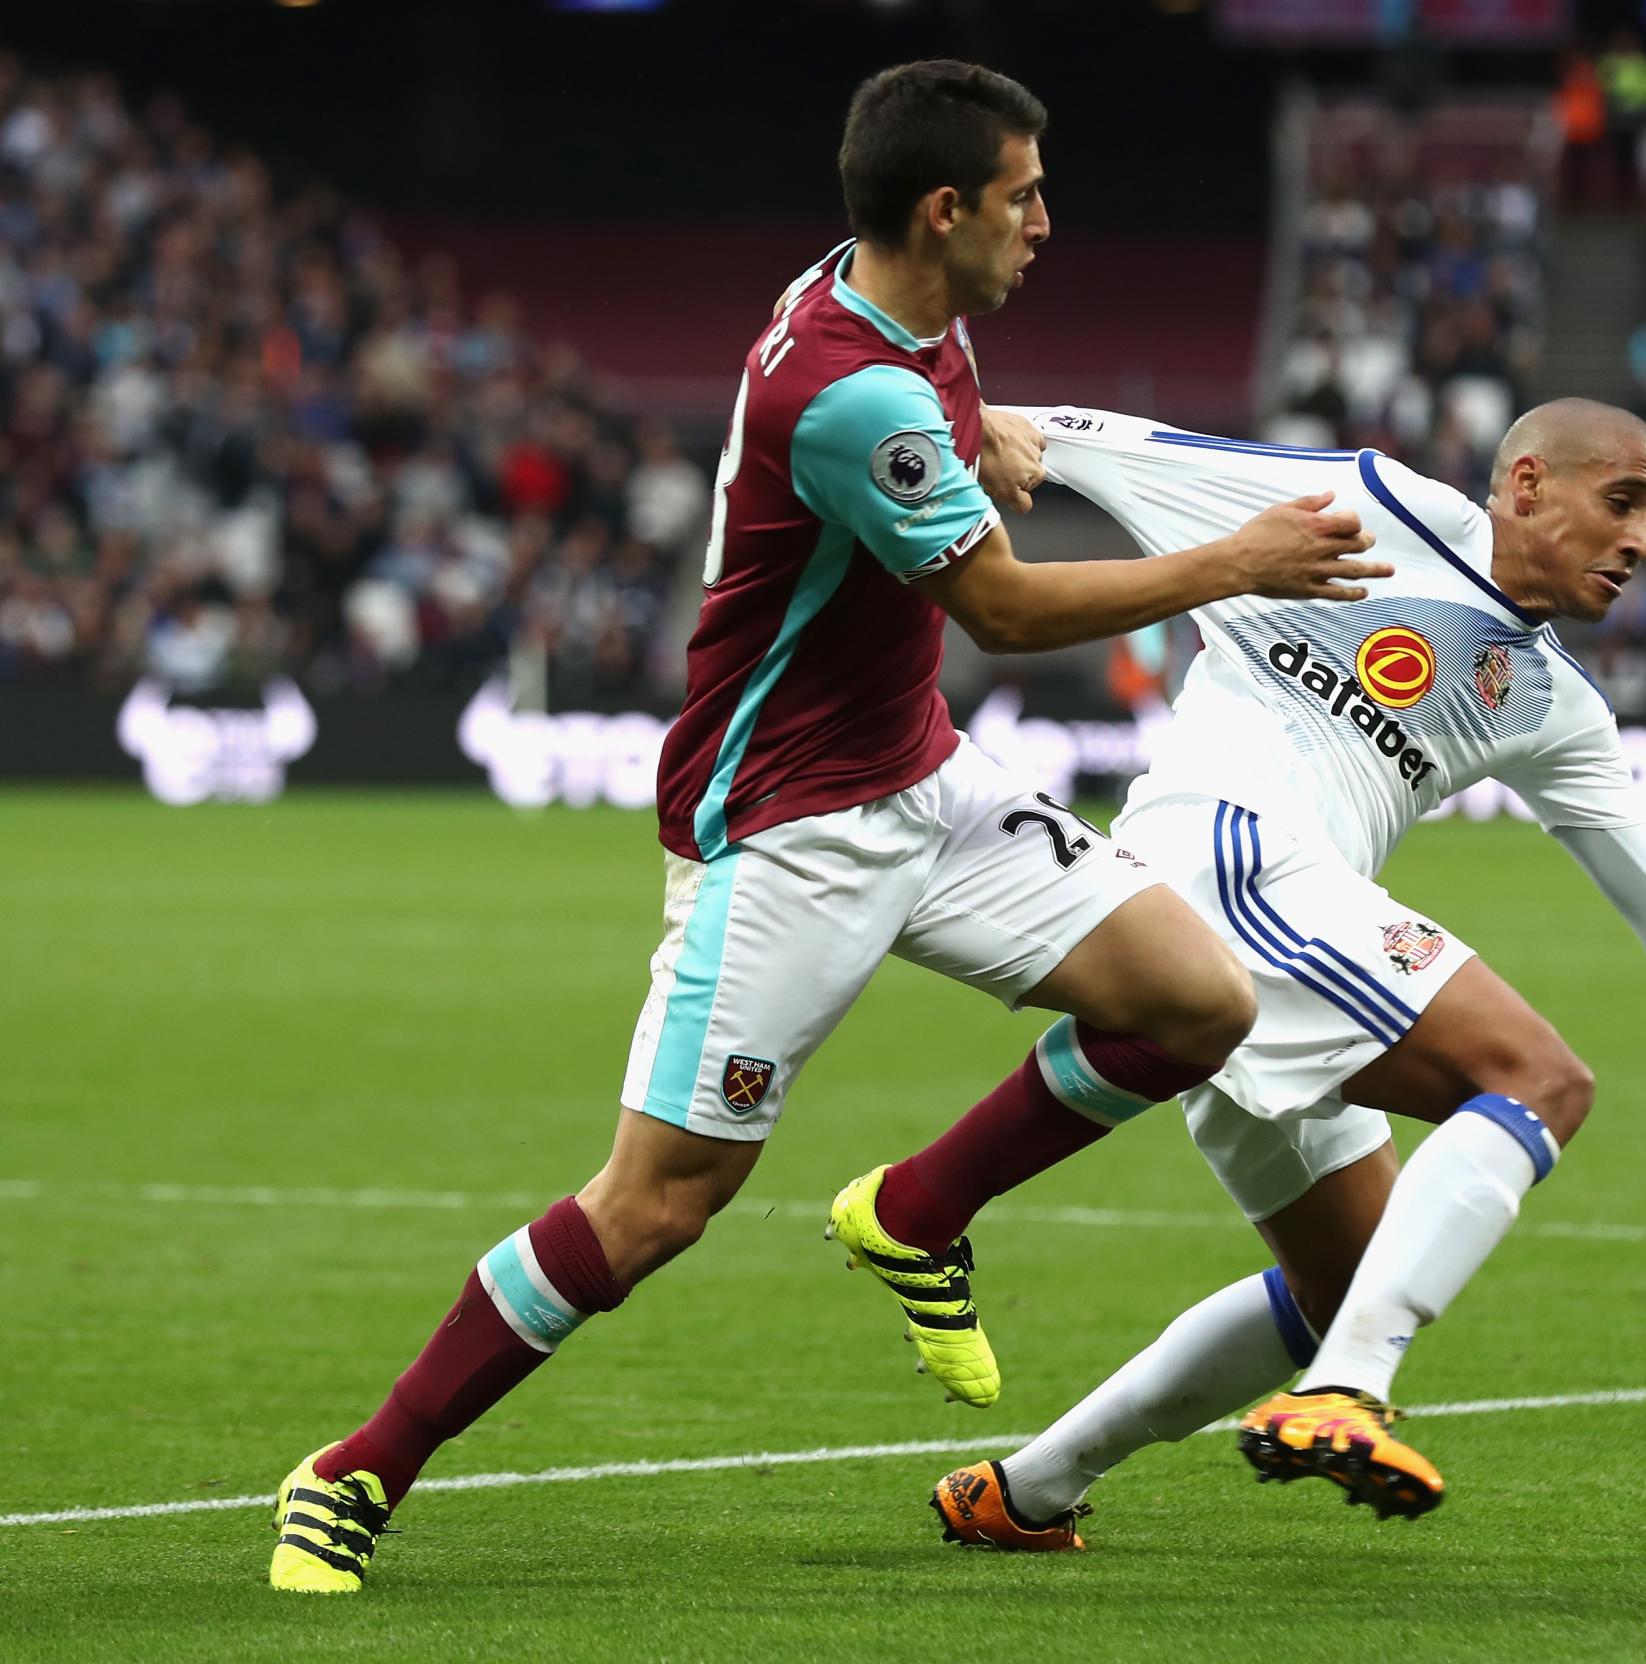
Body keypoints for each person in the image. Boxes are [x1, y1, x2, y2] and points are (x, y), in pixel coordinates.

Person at [267, 60, 1386, 1595]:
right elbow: (996, 600)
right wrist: (1238, 563)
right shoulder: (848, 392)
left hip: (923, 774)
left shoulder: (898, 301)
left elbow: (950, 414)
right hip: (787, 825)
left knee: (1194, 1000)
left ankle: (917, 1211)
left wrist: (985, 436)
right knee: (656, 1205)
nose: (1048, 222)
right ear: (945, 210)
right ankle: (354, 1472)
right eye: (1024, 196)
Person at [925, 400, 1646, 1548]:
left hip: (1263, 938)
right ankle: (1347, 1396)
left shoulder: (1554, 704)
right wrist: (994, 418)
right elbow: (1136, 449)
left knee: (1340, 1282)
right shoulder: (1376, 507)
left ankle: (1024, 1491)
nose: (1641, 542)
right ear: (1524, 485)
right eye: (1620, 502)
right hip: (1225, 865)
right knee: (1537, 1078)